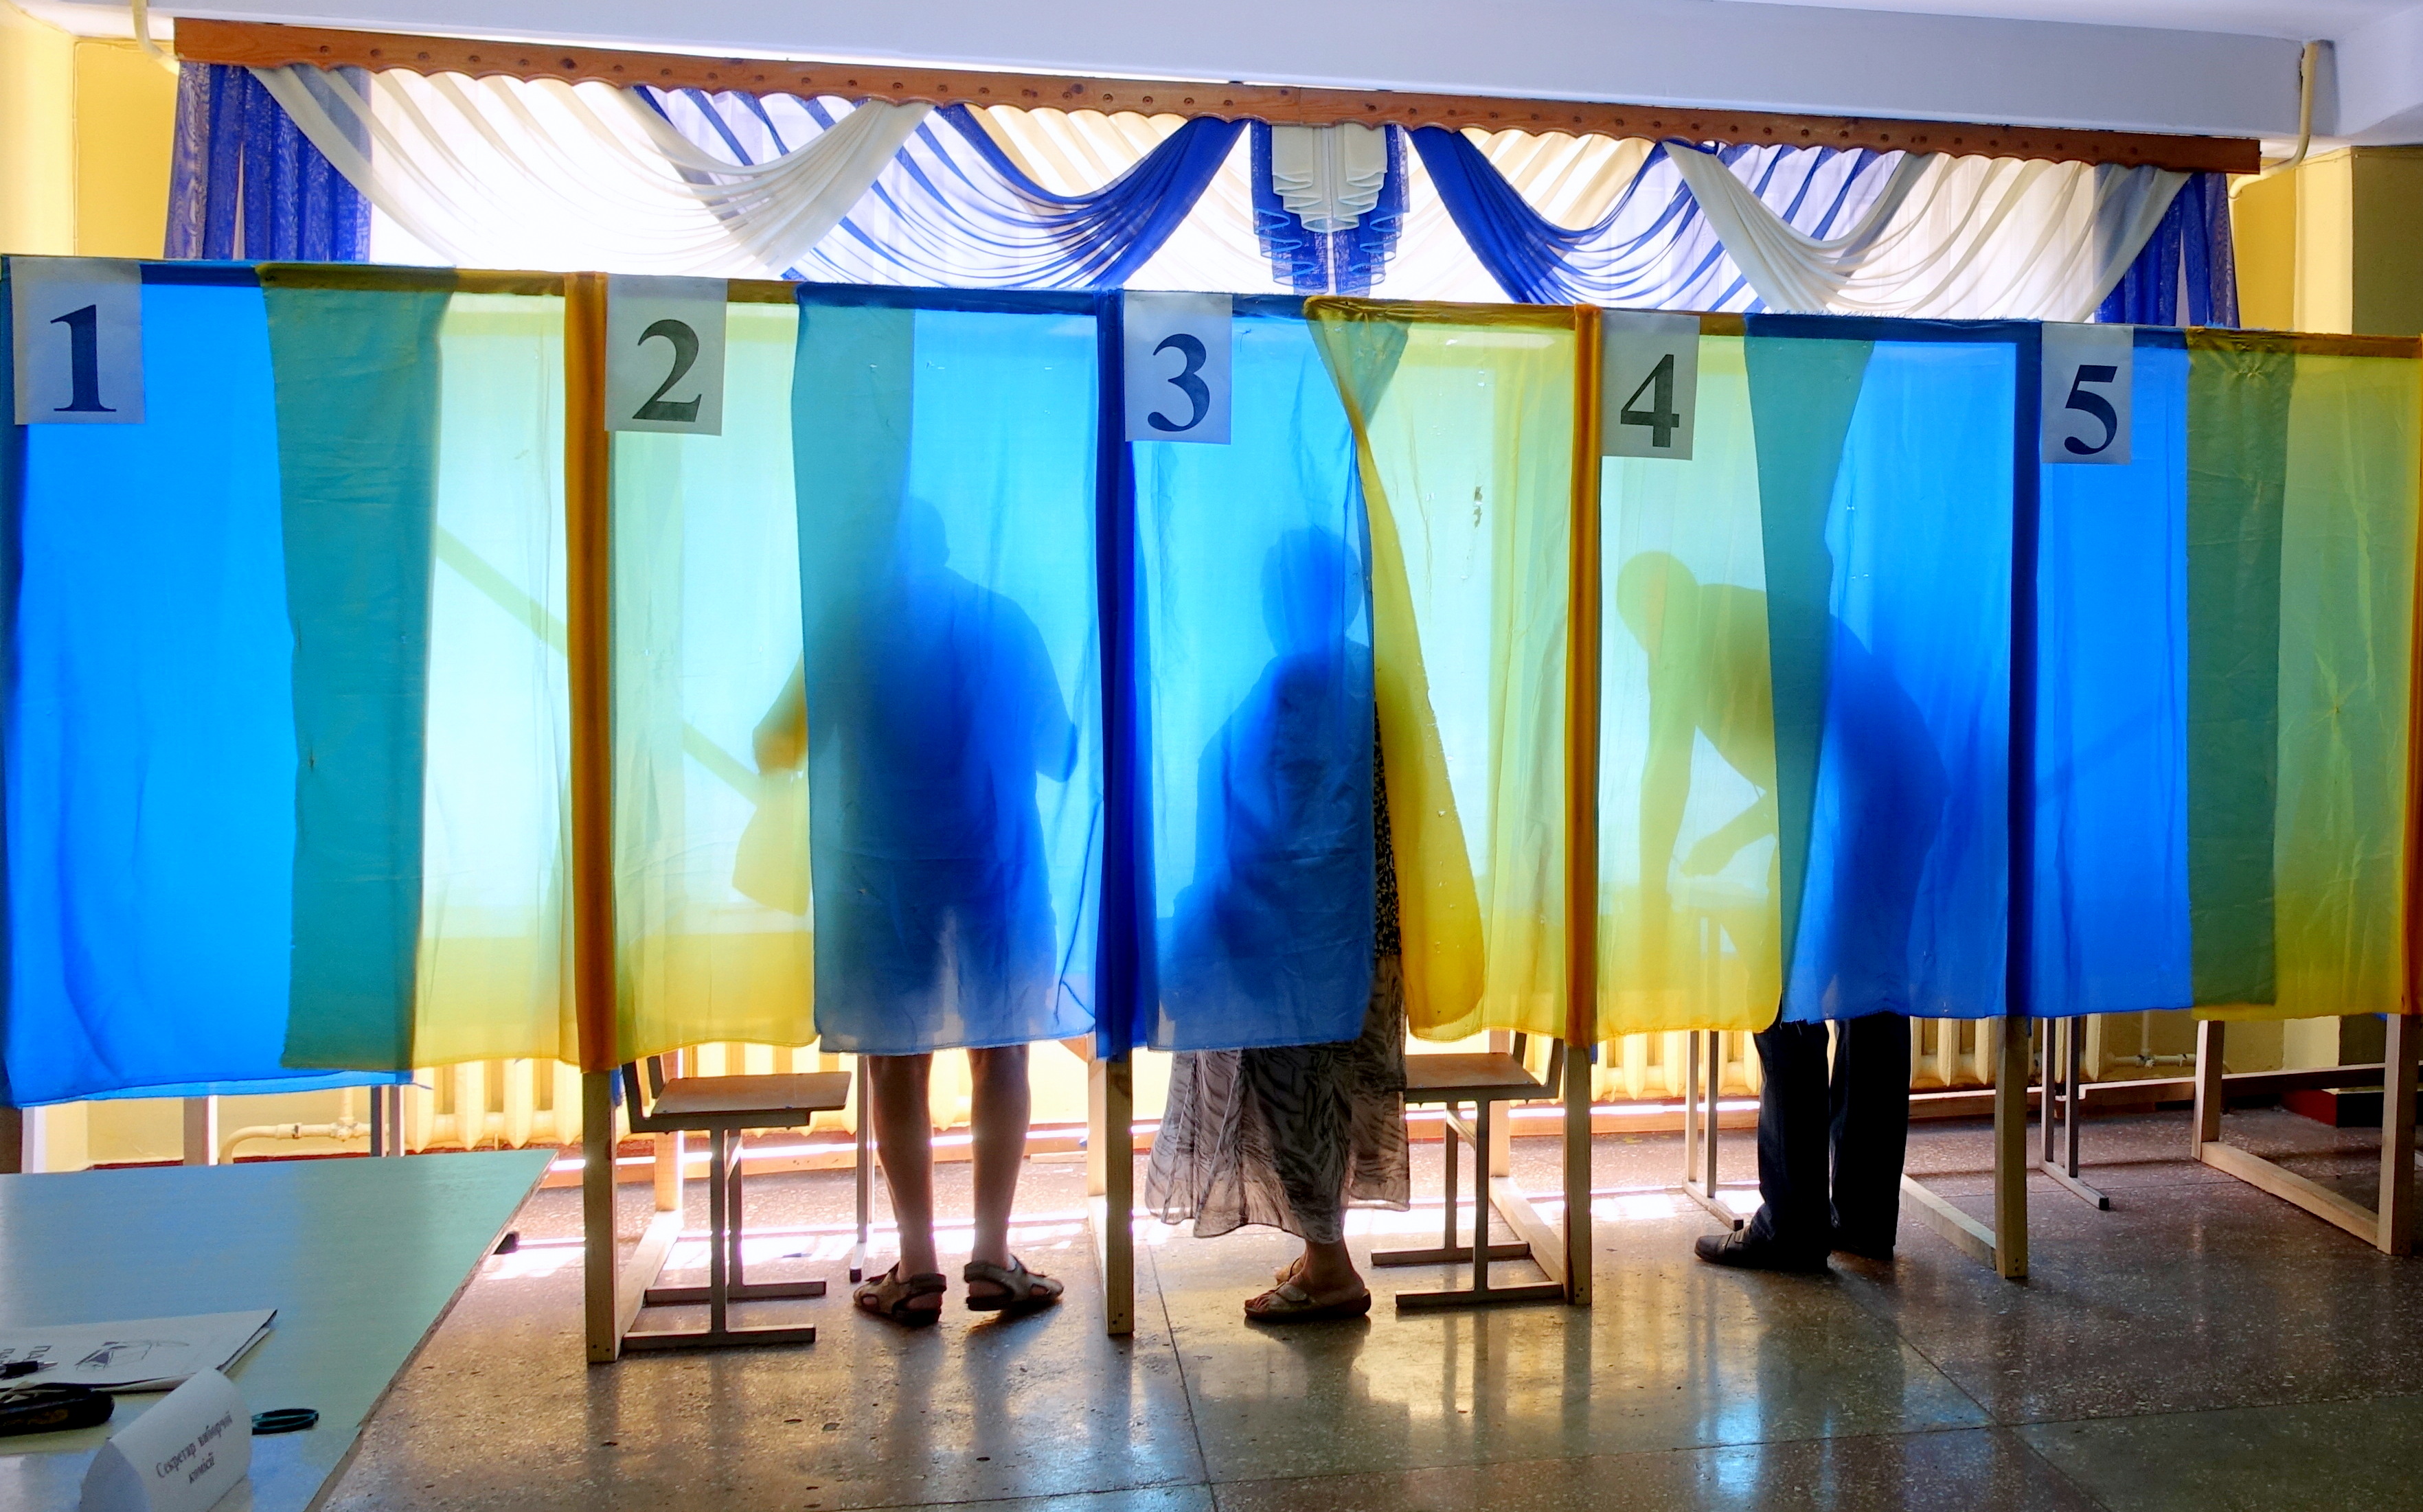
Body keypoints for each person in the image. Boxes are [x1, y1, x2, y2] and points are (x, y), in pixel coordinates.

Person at [755, 501, 1075, 1326]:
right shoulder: (1004, 621)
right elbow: (1061, 753)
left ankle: (918, 1264)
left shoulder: (849, 627)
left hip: (883, 871)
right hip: (997, 864)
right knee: (1002, 1050)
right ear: (948, 546)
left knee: (897, 1060)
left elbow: (776, 744)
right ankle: (993, 1256)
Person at [1613, 552, 1944, 1274]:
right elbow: (1803, 767)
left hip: (1866, 802)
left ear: (1654, 610)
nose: (1647, 649)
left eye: (1642, 629)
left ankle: (1793, 1225)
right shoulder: (1732, 617)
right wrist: (1732, 838)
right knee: (1872, 1001)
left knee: (1781, 994)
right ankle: (1860, 1216)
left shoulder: (1692, 635)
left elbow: (1668, 769)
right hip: (1904, 785)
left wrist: (1650, 887)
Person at [1144, 529, 1409, 1322]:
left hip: (1301, 933)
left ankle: (1330, 1269)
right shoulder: (1375, 676)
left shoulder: (1296, 681)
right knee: (1330, 1095)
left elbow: (1267, 810)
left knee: (1294, 1098)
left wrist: (1214, 910)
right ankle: (1326, 1253)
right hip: (1369, 931)